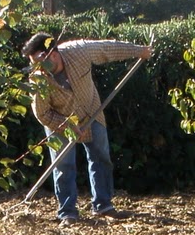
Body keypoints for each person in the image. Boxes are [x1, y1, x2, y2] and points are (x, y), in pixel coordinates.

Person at [22, 31, 152, 223]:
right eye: (34, 63)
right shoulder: (38, 79)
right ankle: (67, 212)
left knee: (101, 157)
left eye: (40, 60)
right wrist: (66, 126)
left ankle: (103, 206)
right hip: (60, 121)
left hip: (92, 111)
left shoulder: (78, 51)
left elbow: (107, 48)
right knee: (63, 165)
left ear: (53, 53)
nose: (38, 67)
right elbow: (42, 113)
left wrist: (139, 51)